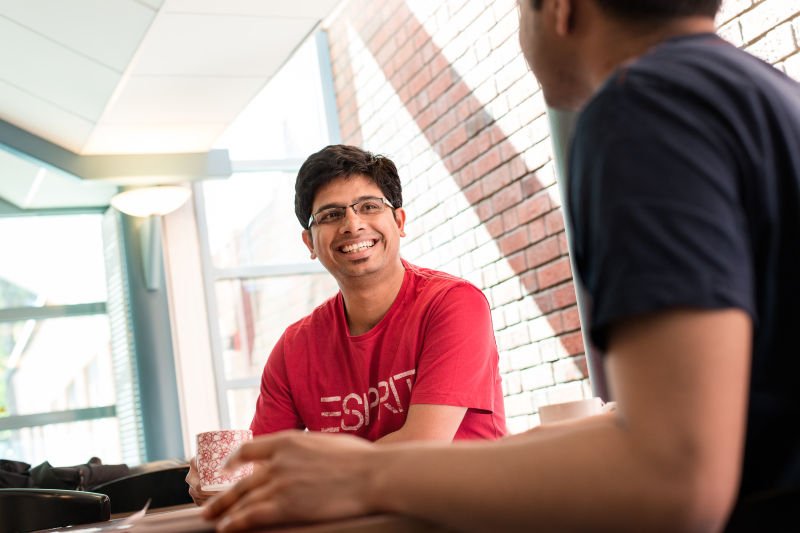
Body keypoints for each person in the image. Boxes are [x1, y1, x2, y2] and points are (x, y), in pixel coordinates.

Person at [203, 0, 800, 531]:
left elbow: (676, 475)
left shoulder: (640, 111)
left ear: (560, 10)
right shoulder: (767, 92)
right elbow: (728, 419)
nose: (353, 226)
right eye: (332, 216)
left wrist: (362, 476)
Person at [187, 144, 507, 504]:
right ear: (310, 242)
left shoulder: (453, 304)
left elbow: (421, 447)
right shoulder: (295, 348)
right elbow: (262, 463)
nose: (352, 225)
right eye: (330, 215)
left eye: (369, 207)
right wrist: (223, 476)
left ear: (399, 222)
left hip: (467, 514)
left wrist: (292, 478)